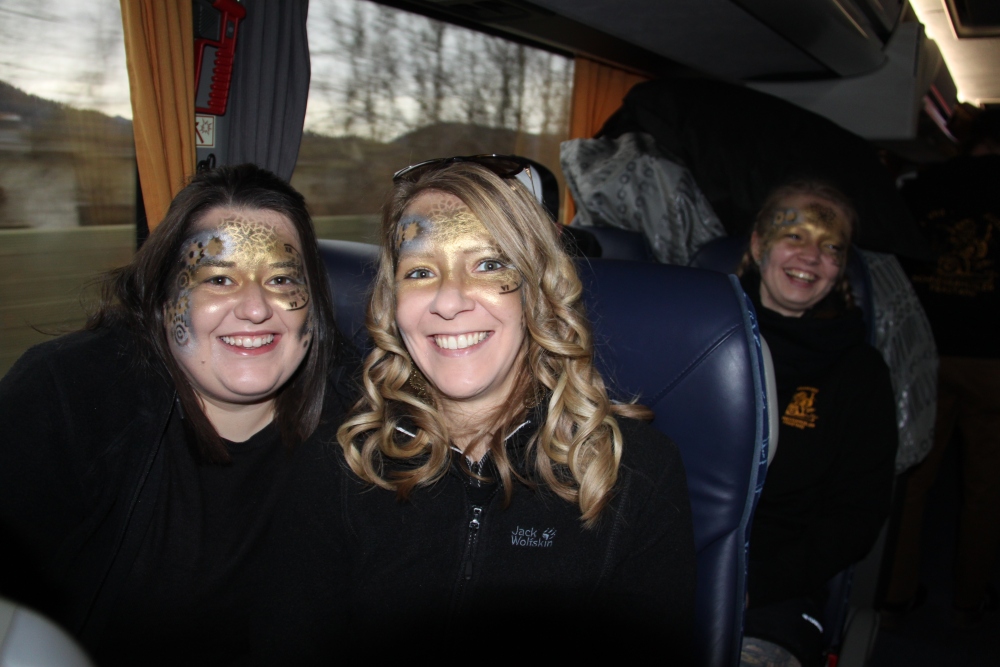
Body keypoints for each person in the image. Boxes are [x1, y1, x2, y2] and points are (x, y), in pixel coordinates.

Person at [263, 155, 696, 661]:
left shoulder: (637, 472)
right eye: (420, 271)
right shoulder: (338, 462)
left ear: (537, 288)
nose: (449, 302)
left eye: (489, 265)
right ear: (392, 302)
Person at [0, 164, 354, 665]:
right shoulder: (69, 396)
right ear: (164, 297)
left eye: (281, 279)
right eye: (218, 279)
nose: (255, 308)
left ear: (312, 305)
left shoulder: (362, 415)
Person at [737, 181, 897, 667]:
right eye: (795, 236)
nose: (811, 256)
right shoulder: (704, 334)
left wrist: (754, 584)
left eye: (831, 247)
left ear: (841, 266)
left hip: (776, 591)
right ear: (759, 245)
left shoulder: (859, 373)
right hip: (668, 560)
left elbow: (855, 516)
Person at [884, 107, 1000, 628]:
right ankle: (970, 598)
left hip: (926, 352)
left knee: (914, 478)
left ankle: (896, 593)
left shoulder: (923, 186)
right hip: (993, 360)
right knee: (985, 486)